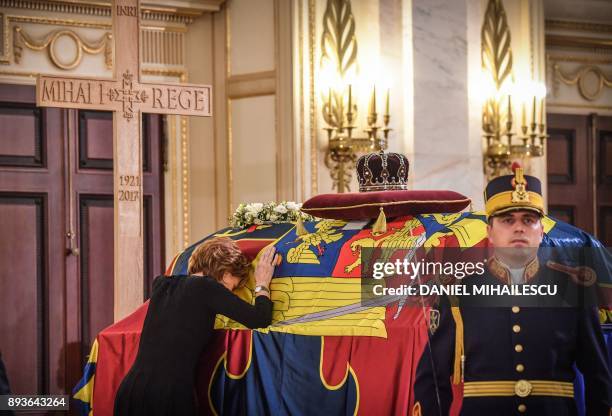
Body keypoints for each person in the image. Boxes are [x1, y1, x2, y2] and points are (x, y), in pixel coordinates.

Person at [412, 168, 612, 415]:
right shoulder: (458, 293)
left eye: (529, 220)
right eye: (508, 220)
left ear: (541, 231)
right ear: (490, 232)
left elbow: (599, 378)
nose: (519, 228)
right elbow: (432, 379)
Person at [114, 237, 278, 416]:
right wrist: (262, 283)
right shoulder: (207, 288)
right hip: (168, 395)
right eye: (234, 286)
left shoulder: (162, 284)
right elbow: (259, 319)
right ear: (225, 273)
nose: (231, 292)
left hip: (130, 390)